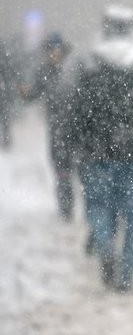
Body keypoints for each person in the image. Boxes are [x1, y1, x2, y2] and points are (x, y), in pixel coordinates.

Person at [71, 5, 133, 293]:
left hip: (97, 152)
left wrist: (84, 141)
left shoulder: (90, 62)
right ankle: (126, 278)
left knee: (99, 208)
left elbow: (78, 110)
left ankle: (104, 248)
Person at [20, 32, 78, 220]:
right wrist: (24, 93)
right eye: (49, 51)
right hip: (57, 127)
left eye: (56, 50)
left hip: (78, 126)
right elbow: (33, 93)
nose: (52, 54)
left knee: (77, 167)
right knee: (61, 168)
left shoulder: (74, 69)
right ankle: (65, 207)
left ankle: (79, 204)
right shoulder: (44, 71)